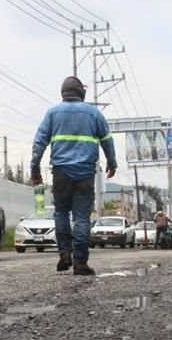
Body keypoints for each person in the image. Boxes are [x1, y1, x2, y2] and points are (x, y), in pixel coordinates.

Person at [30, 76, 118, 276]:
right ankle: (80, 262)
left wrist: (34, 169)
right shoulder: (94, 113)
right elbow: (107, 141)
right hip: (85, 173)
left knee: (61, 212)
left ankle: (64, 253)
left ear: (63, 93)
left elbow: (39, 142)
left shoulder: (52, 113)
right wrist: (112, 163)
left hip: (60, 172)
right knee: (81, 217)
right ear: (81, 93)